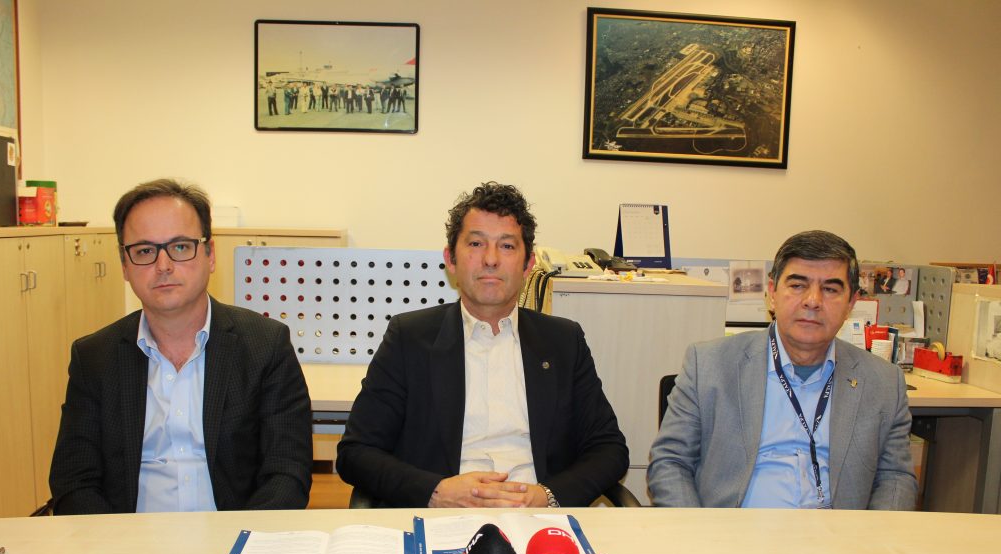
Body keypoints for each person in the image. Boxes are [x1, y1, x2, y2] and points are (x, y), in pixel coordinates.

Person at [337, 182, 628, 507]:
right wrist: (436, 492)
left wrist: (546, 496)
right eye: (476, 243)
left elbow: (609, 450)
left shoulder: (563, 342)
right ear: (451, 259)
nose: (490, 259)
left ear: (528, 264)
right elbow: (356, 453)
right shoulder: (409, 337)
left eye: (507, 246)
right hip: (443, 518)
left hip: (538, 519)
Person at [49, 178, 312, 514]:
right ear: (125, 265)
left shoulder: (265, 346)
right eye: (144, 251)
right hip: (128, 540)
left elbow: (287, 473)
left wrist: (241, 539)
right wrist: (117, 542)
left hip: (234, 536)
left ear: (210, 254)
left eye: (181, 247)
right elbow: (74, 482)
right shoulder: (94, 358)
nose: (163, 266)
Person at [648, 230, 916, 510]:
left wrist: (873, 535)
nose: (813, 301)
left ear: (851, 303)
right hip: (735, 530)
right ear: (772, 293)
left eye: (830, 289)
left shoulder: (884, 382)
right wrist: (699, 531)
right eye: (798, 285)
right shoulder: (709, 364)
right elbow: (670, 462)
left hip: (837, 533)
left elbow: (896, 477)